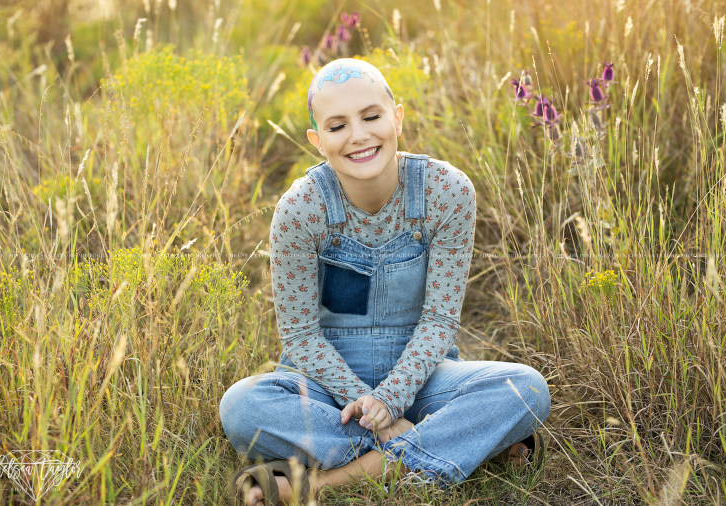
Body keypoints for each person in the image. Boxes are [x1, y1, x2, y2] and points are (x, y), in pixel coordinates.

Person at [219, 58, 550, 505]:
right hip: (327, 387)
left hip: (422, 374)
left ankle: (329, 481)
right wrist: (364, 401)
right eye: (337, 126)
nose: (358, 135)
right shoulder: (299, 209)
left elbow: (438, 322)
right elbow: (300, 336)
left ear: (397, 116)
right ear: (317, 141)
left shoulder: (447, 192)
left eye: (371, 116)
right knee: (241, 406)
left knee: (525, 388)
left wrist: (391, 400)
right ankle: (448, 446)